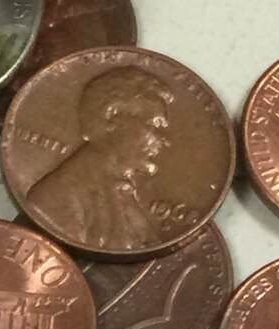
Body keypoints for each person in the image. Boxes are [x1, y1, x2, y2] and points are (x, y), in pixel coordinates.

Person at [25, 66, 175, 253]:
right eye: (154, 124)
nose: (165, 141)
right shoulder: (53, 200)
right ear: (111, 117)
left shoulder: (124, 192)